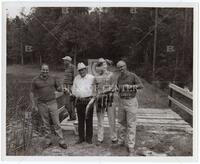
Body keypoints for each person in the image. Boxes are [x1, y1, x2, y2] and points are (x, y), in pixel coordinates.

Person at [30, 63, 67, 149]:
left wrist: (61, 88)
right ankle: (48, 140)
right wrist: (33, 104)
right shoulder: (35, 80)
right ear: (40, 70)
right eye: (43, 69)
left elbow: (58, 88)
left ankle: (61, 140)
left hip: (52, 102)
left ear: (48, 70)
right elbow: (31, 92)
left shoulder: (52, 78)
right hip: (41, 104)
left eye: (46, 70)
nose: (45, 71)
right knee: (45, 123)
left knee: (56, 122)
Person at [116, 60, 144, 156]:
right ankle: (121, 141)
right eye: (119, 67)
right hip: (121, 101)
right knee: (121, 122)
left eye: (122, 66)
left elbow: (141, 86)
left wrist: (131, 87)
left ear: (126, 66)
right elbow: (118, 88)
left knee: (131, 124)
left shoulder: (132, 75)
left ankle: (131, 145)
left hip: (131, 101)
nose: (121, 69)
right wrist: (117, 89)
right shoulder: (119, 78)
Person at [95, 58, 118, 146]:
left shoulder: (111, 75)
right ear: (98, 67)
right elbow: (94, 88)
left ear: (107, 65)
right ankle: (100, 138)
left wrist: (105, 91)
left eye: (104, 64)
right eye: (101, 65)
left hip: (110, 99)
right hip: (100, 100)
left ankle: (114, 137)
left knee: (111, 119)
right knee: (100, 120)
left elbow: (114, 86)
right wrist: (96, 94)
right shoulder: (96, 76)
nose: (103, 66)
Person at [72, 62, 95, 144]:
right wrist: (76, 94)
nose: (81, 71)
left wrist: (93, 97)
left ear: (86, 69)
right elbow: (73, 89)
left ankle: (89, 138)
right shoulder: (76, 78)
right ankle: (81, 138)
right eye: (80, 70)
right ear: (78, 71)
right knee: (80, 120)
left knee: (89, 119)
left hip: (89, 101)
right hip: (79, 101)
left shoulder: (91, 78)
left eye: (83, 70)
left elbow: (96, 89)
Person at [62, 56, 76, 121]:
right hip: (65, 87)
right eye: (64, 60)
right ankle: (72, 116)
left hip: (70, 87)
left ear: (68, 61)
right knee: (66, 103)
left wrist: (72, 88)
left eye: (65, 60)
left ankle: (72, 117)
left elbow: (75, 78)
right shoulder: (66, 68)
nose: (64, 62)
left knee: (69, 103)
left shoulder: (73, 67)